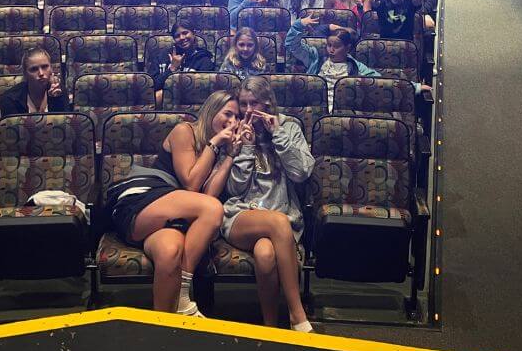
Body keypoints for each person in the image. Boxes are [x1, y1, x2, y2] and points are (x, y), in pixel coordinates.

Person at [103, 90, 235, 314]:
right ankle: (184, 294)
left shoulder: (221, 149)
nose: (233, 122)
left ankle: (163, 329)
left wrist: (230, 155)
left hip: (169, 218)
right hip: (142, 199)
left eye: (238, 118)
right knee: (213, 208)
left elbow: (208, 195)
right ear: (212, 110)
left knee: (170, 250)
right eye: (228, 114)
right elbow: (192, 185)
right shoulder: (185, 131)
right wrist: (214, 143)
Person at [217, 76, 315, 331]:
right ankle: (297, 314)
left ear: (269, 103)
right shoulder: (235, 130)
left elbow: (301, 173)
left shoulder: (289, 127)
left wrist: (278, 135)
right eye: (244, 104)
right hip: (241, 215)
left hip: (280, 214)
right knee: (277, 222)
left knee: (265, 253)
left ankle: (270, 325)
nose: (249, 111)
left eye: (255, 104)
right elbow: (234, 189)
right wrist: (246, 148)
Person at [285, 21, 380, 110]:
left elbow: (378, 80)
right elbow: (292, 45)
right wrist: (299, 25)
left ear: (348, 48)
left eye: (337, 46)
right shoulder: (316, 59)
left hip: (342, 109)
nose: (331, 50)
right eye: (329, 45)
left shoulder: (355, 66)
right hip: (314, 105)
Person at [149, 23, 215, 103]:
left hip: (192, 104)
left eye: (185, 33)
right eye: (177, 36)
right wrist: (172, 69)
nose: (182, 38)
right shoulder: (162, 57)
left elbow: (204, 91)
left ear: (193, 33)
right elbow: (150, 87)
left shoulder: (204, 60)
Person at [0, 47, 68, 116]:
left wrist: (55, 100)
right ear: (25, 74)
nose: (41, 73)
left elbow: (61, 124)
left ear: (51, 69)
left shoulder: (60, 91)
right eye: (34, 69)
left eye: (45, 67)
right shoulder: (10, 99)